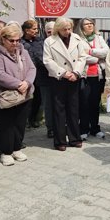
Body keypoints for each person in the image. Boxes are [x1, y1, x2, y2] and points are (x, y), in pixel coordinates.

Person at [0, 23, 36, 166]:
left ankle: (17, 148)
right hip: (5, 96)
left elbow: (32, 68)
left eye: (17, 40)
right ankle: (6, 152)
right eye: (11, 40)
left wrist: (27, 83)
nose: (15, 43)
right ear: (3, 39)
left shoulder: (23, 52)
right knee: (6, 125)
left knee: (20, 123)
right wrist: (17, 84)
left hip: (24, 94)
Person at [43, 17, 87, 151]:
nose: (68, 31)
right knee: (59, 110)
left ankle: (74, 138)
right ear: (58, 29)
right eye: (64, 29)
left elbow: (82, 57)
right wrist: (63, 73)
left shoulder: (77, 39)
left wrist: (76, 73)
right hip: (58, 79)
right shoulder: (49, 41)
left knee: (74, 109)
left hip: (74, 78)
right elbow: (47, 60)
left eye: (69, 28)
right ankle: (60, 141)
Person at [78, 18, 109, 139]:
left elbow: (106, 52)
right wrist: (97, 58)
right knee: (84, 103)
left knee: (95, 103)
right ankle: (84, 129)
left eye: (91, 23)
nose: (90, 26)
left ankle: (95, 128)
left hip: (98, 76)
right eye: (87, 24)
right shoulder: (79, 40)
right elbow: (81, 56)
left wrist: (91, 51)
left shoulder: (99, 38)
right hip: (85, 76)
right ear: (82, 27)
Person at [21, 20, 47, 129]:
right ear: (27, 30)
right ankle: (25, 120)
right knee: (27, 98)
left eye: (37, 28)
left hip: (40, 74)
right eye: (34, 29)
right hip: (27, 74)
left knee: (38, 98)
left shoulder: (40, 41)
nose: (36, 31)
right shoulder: (20, 43)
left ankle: (33, 119)